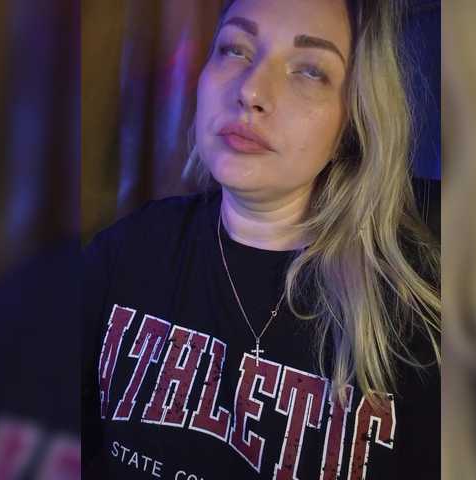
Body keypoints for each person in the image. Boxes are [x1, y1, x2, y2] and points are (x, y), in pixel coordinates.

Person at [83, 0, 440, 478]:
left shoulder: (422, 323)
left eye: (310, 71)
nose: (251, 90)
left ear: (351, 123)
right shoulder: (128, 251)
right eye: (235, 49)